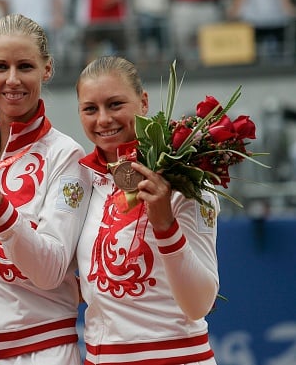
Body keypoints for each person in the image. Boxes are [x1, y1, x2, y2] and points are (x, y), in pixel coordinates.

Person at [0, 13, 91, 365]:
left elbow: (51, 270)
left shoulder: (66, 157)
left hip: (43, 352)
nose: (12, 80)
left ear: (47, 69)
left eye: (25, 66)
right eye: (0, 67)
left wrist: (0, 211)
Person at [76, 56, 219, 364]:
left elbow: (200, 304)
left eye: (115, 104)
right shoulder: (82, 179)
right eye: (90, 109)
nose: (103, 120)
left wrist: (165, 224)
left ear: (143, 102)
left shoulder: (186, 182)